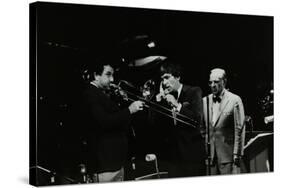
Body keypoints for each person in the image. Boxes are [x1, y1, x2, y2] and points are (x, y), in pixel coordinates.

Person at [82, 59, 144, 182]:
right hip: (104, 165)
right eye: (108, 74)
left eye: (113, 75)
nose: (112, 79)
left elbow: (118, 119)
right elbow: (104, 121)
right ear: (96, 75)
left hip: (115, 163)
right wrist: (129, 110)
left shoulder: (102, 94)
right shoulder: (90, 94)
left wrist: (123, 102)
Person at [155, 61, 206, 178]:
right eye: (162, 79)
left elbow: (197, 121)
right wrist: (158, 102)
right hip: (173, 159)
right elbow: (155, 127)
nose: (164, 82)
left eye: (167, 77)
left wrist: (177, 105)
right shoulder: (165, 98)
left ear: (178, 77)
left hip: (192, 158)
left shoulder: (194, 91)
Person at [202, 68, 245, 175]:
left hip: (228, 156)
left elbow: (239, 129)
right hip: (210, 157)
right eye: (210, 82)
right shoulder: (205, 101)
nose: (212, 85)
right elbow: (202, 128)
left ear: (224, 82)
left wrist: (237, 154)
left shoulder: (235, 100)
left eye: (216, 82)